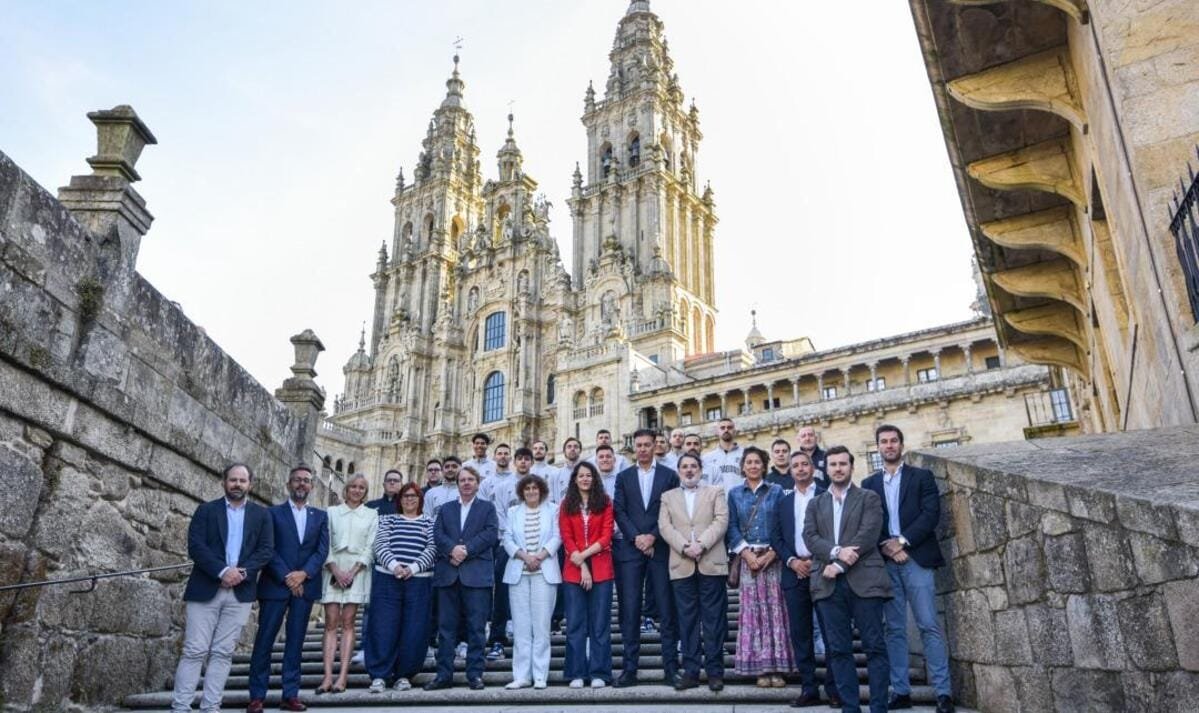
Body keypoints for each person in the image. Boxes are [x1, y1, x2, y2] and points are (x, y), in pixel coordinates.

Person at [862, 425, 954, 713]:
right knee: (894, 629)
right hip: (886, 563)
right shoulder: (869, 484)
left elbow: (931, 514)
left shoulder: (921, 477)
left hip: (916, 558)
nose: (889, 446)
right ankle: (900, 690)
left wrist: (901, 542)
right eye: (883, 442)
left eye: (893, 441)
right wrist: (886, 546)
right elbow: (867, 525)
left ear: (901, 444)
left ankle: (943, 693)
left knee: (928, 624)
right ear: (877, 447)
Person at [171, 464, 274, 713]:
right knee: (195, 649)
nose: (237, 484)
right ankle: (181, 706)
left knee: (223, 652)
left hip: (241, 591)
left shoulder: (262, 515)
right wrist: (222, 571)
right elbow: (196, 546)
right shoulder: (206, 511)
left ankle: (211, 706)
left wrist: (241, 573)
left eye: (242, 480)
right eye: (233, 480)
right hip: (206, 587)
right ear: (224, 482)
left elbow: (266, 550)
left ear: (250, 484)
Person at [803, 446, 891, 713]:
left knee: (875, 647)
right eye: (833, 464)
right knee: (839, 651)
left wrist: (839, 564)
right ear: (826, 469)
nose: (838, 468)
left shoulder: (869, 497)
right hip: (828, 587)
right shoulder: (815, 503)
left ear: (851, 467)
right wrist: (836, 552)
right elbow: (810, 537)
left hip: (866, 582)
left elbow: (869, 534)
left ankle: (878, 708)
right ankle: (849, 708)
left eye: (843, 463)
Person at [248, 465, 329, 713]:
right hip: (275, 586)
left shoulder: (320, 516)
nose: (302, 484)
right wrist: (287, 577)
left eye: (306, 480)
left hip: (304, 587)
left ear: (312, 486)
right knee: (264, 641)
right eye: (297, 480)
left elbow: (321, 550)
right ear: (289, 484)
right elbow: (267, 548)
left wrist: (303, 574)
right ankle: (257, 696)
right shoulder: (271, 513)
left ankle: (290, 694)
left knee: (296, 642)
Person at [612, 429, 681, 687]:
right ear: (634, 448)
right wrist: (637, 539)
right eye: (638, 445)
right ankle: (629, 669)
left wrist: (653, 537)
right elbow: (619, 510)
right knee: (629, 611)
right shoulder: (623, 477)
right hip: (630, 552)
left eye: (647, 445)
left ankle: (671, 669)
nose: (642, 449)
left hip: (661, 549)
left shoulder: (669, 476)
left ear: (655, 446)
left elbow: (672, 510)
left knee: (666, 609)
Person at [657, 453, 729, 691]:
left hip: (711, 562)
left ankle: (715, 672)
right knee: (687, 622)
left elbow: (721, 520)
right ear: (678, 471)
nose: (689, 470)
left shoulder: (715, 491)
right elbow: (664, 526)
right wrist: (685, 547)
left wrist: (701, 545)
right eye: (684, 467)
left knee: (713, 621)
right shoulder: (668, 497)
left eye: (693, 466)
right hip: (682, 564)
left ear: (701, 469)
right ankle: (691, 671)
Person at [772, 451, 838, 707]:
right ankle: (808, 687)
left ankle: (834, 688)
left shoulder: (827, 495)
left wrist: (818, 560)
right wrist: (793, 561)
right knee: (801, 634)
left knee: (832, 631)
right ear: (789, 471)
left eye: (804, 464)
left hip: (823, 570)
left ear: (813, 468)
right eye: (795, 466)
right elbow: (776, 537)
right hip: (794, 573)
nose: (799, 469)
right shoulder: (783, 502)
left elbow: (836, 532)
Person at [425, 465, 499, 691]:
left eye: (470, 480)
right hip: (449, 575)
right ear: (457, 484)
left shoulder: (487, 508)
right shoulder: (446, 509)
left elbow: (490, 533)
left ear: (477, 483)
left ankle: (475, 674)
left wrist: (465, 550)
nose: (466, 483)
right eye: (462, 480)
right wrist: (452, 551)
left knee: (476, 628)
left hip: (476, 576)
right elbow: (438, 534)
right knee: (446, 629)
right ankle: (443, 675)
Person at [726, 446, 792, 687]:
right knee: (753, 614)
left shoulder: (776, 492)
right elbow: (731, 526)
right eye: (749, 462)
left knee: (775, 614)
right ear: (743, 466)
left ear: (764, 466)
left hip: (772, 560)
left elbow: (786, 523)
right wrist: (745, 553)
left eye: (757, 462)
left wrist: (773, 553)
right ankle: (760, 669)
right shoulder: (734, 493)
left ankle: (777, 667)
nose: (753, 466)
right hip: (748, 560)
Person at [366, 482, 436, 693]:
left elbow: (432, 548)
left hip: (419, 580)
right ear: (400, 500)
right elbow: (380, 545)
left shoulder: (430, 522)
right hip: (388, 579)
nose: (409, 499)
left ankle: (405, 675)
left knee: (414, 629)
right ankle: (379, 675)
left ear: (420, 500)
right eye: (405, 496)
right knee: (383, 626)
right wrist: (395, 566)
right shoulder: (388, 520)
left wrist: (412, 568)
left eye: (414, 496)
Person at [319, 474, 378, 694]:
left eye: (361, 487)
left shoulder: (372, 515)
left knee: (349, 622)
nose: (357, 490)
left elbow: (371, 546)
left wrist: (352, 572)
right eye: (353, 486)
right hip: (333, 567)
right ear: (346, 489)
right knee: (330, 622)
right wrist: (335, 569)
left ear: (366, 491)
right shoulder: (332, 512)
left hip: (358, 570)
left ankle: (342, 677)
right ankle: (327, 677)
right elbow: (325, 542)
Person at [558, 461, 615, 688]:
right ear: (574, 479)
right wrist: (581, 564)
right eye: (581, 476)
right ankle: (576, 673)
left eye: (589, 475)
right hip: (573, 571)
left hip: (601, 567)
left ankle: (600, 672)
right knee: (575, 623)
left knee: (600, 623)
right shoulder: (566, 504)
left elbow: (606, 536)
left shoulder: (605, 502)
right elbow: (566, 536)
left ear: (594, 479)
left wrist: (584, 557)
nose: (585, 479)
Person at [503, 474, 561, 689]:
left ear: (542, 490)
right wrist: (525, 556)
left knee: (542, 626)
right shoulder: (512, 512)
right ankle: (521, 675)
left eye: (535, 488)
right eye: (527, 488)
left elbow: (558, 537)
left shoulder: (553, 510)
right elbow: (506, 538)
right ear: (521, 491)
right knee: (521, 626)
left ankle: (540, 675)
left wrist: (540, 557)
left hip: (544, 573)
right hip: (518, 572)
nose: (531, 492)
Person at [479, 443, 521, 661]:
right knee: (497, 584)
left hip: (519, 542)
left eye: (507, 453)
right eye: (500, 453)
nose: (503, 456)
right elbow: (488, 510)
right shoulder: (488, 483)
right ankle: (495, 631)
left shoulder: (520, 483)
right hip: (496, 540)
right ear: (494, 457)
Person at [702, 417, 744, 491]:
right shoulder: (707, 458)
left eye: (729, 427)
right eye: (722, 428)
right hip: (716, 501)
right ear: (717, 432)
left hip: (739, 500)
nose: (726, 430)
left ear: (734, 431)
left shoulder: (745, 454)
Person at [549, 437, 583, 504]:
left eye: (576, 447)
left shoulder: (588, 473)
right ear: (564, 451)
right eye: (569, 447)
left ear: (580, 451)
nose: (572, 449)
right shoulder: (555, 475)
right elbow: (551, 500)